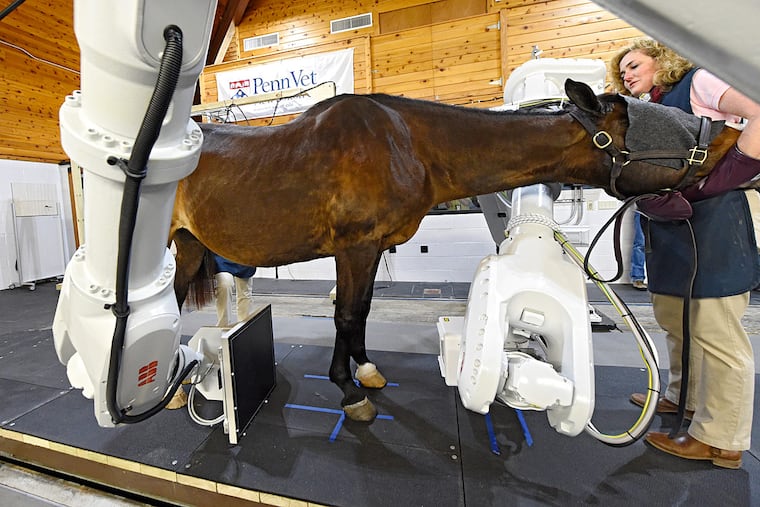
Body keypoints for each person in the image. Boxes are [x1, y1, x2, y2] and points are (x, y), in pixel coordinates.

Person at [611, 39, 760, 469]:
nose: (627, 75)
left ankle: (720, 439)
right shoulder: (650, 110)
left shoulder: (699, 82)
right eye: (622, 72)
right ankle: (685, 399)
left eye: (634, 65)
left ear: (661, 60)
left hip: (713, 222)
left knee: (716, 334)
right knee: (676, 320)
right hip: (671, 229)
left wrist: (722, 178)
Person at [212, 252, 257, 327]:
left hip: (243, 254)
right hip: (221, 254)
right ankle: (223, 326)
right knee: (225, 285)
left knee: (245, 292)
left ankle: (244, 327)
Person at [630, 212, 647, 290]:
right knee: (640, 244)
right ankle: (638, 278)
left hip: (663, 210)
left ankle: (661, 281)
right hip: (643, 210)